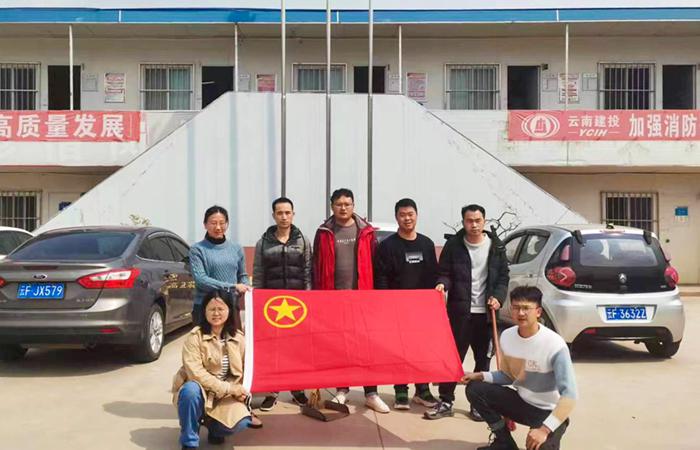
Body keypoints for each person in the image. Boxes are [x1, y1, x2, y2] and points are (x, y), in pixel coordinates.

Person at [463, 286, 577, 450]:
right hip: (522, 402)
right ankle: (504, 442)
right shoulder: (507, 336)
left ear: (538, 312)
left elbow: (570, 396)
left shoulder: (555, 345)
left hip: (548, 411)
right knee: (475, 389)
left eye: (526, 308)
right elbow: (508, 376)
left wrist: (544, 430)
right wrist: (479, 375)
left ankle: (552, 430)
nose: (521, 313)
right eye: (516, 307)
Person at [424, 204, 509, 421]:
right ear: (463, 222)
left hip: (486, 314)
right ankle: (446, 401)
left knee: (483, 361)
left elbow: (503, 277)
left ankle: (477, 403)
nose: (474, 225)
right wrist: (442, 284)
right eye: (469, 221)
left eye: (478, 220)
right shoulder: (454, 245)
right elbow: (444, 272)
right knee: (452, 358)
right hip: (460, 313)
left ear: (484, 221)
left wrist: (498, 297)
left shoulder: (496, 246)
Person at [313, 187, 390, 414]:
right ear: (332, 206)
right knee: (341, 346)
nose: (343, 208)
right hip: (334, 299)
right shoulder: (324, 232)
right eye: (339, 204)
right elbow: (316, 266)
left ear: (354, 206)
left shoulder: (366, 231)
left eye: (347, 204)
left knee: (367, 346)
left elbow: (376, 264)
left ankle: (371, 393)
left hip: (362, 298)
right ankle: (342, 390)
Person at [171, 289, 260, 450]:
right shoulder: (194, 337)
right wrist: (229, 388)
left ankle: (215, 429)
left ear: (229, 310)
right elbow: (195, 373)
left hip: (225, 396)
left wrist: (242, 391)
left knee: (242, 422)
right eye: (212, 309)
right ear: (204, 311)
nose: (216, 313)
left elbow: (247, 370)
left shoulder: (239, 338)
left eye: (221, 309)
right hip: (201, 390)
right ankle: (189, 440)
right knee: (190, 392)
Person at [374, 198, 440, 410]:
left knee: (422, 350)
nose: (407, 218)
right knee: (399, 350)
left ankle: (423, 390)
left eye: (410, 214)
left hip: (422, 309)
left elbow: (433, 275)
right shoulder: (387, 246)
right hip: (396, 308)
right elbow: (381, 277)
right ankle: (400, 391)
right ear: (396, 218)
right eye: (402, 215)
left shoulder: (426, 244)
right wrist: (385, 304)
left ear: (416, 215)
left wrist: (434, 303)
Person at [253, 196, 312, 411]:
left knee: (297, 350)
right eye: (280, 213)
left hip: (297, 307)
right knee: (273, 350)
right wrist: (258, 302)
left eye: (288, 213)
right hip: (272, 307)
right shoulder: (263, 242)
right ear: (274, 215)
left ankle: (297, 389)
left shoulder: (303, 240)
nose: (284, 217)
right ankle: (272, 391)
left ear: (293, 214)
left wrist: (309, 300)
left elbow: (308, 271)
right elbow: (258, 274)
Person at [189, 205, 250, 324]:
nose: (218, 227)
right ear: (205, 224)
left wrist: (246, 287)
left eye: (222, 223)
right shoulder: (197, 249)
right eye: (213, 223)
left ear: (227, 224)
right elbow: (201, 280)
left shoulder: (236, 248)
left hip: (230, 306)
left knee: (233, 336)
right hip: (205, 307)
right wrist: (232, 287)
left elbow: (242, 275)